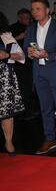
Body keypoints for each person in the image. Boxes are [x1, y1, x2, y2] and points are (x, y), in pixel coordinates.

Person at [24, 0, 56, 156]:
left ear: (47, 10)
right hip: (39, 72)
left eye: (38, 9)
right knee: (45, 109)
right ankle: (50, 139)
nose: (34, 12)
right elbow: (26, 47)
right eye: (32, 9)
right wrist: (30, 53)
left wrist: (48, 54)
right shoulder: (30, 28)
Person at [0, 11, 26, 156]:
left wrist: (7, 55)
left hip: (5, 77)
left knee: (7, 113)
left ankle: (8, 142)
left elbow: (22, 56)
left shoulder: (7, 36)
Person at [9, 8, 36, 120]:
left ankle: (32, 109)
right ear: (19, 17)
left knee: (31, 86)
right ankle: (25, 112)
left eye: (28, 18)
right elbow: (6, 46)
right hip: (18, 64)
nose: (27, 20)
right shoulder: (12, 29)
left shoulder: (32, 27)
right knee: (23, 88)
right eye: (25, 18)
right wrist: (18, 37)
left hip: (31, 61)